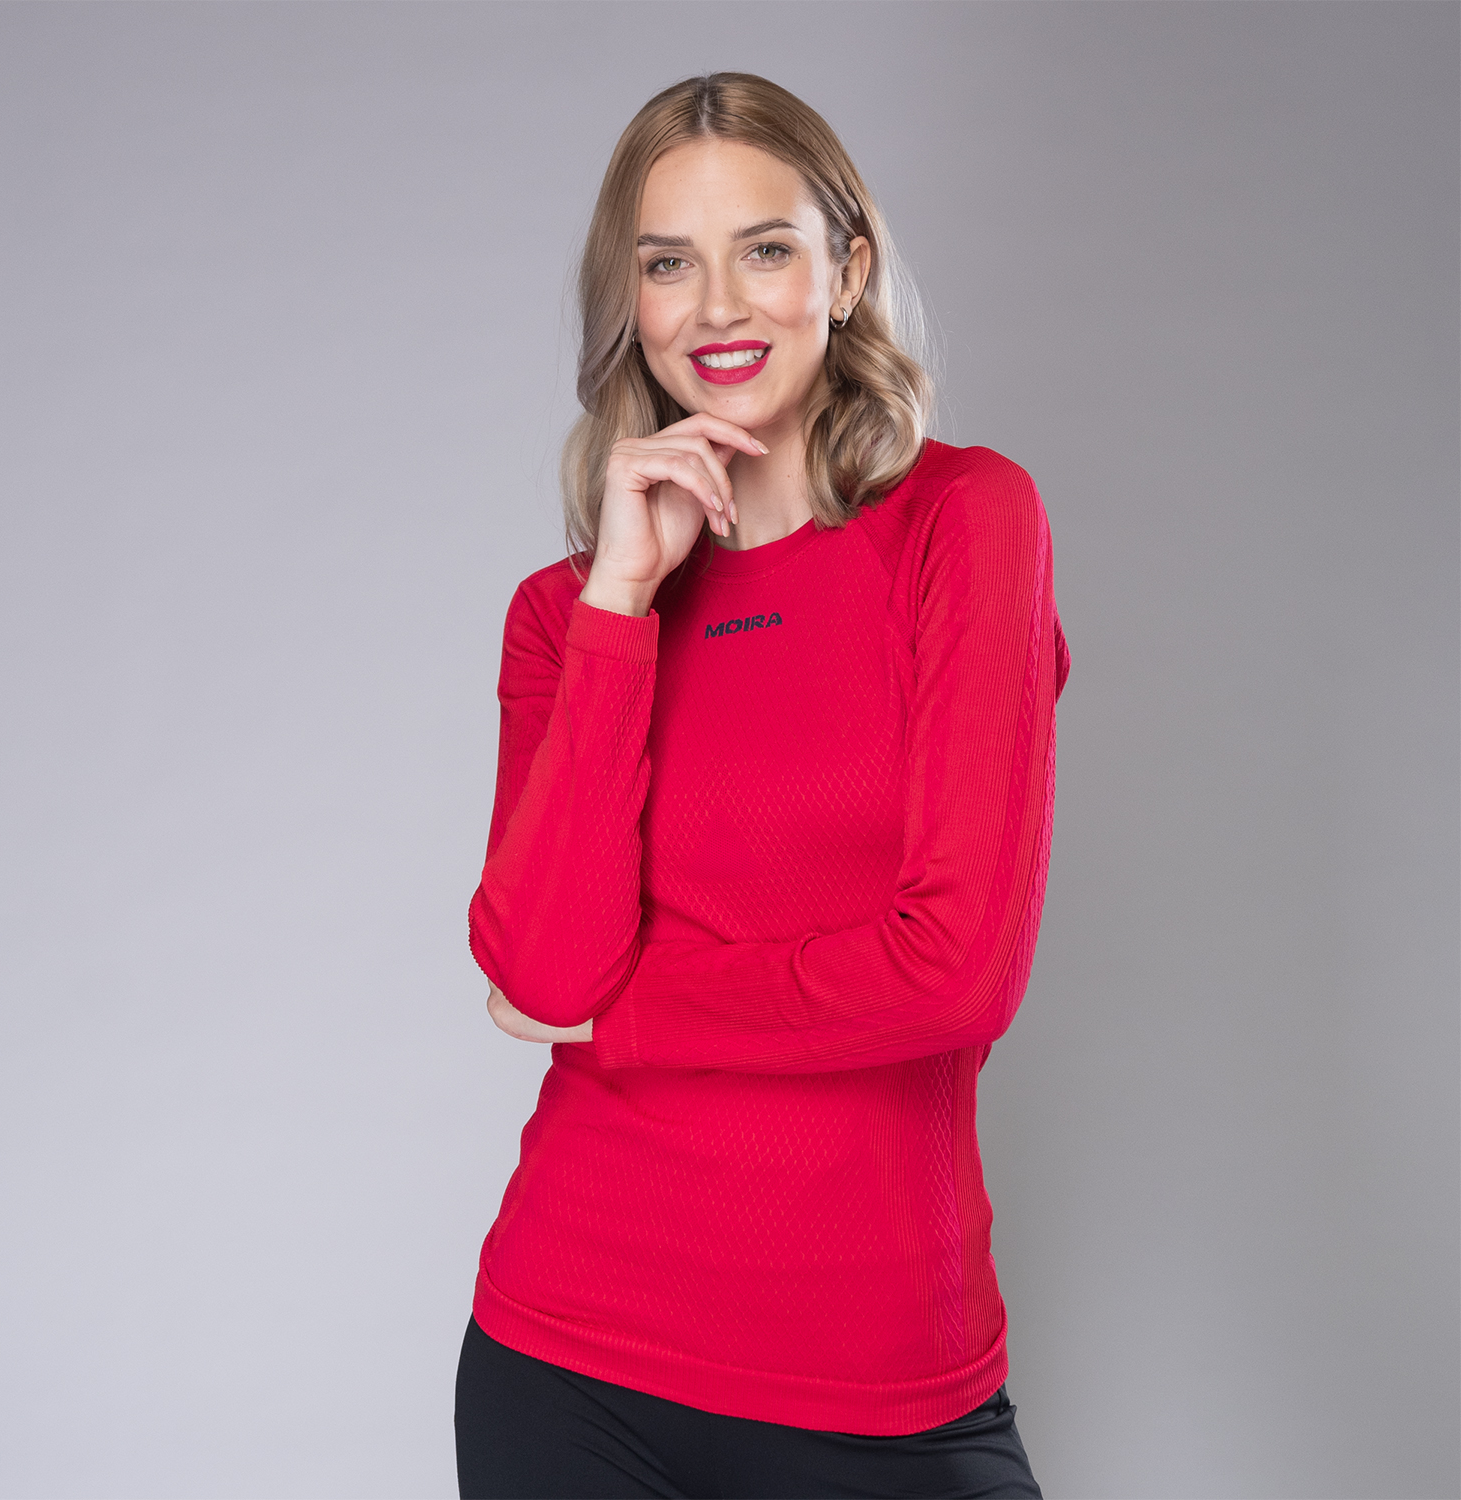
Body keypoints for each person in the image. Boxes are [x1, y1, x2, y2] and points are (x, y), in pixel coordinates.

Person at [455, 71, 1068, 1500]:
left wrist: (625, 1013)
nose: (718, 306)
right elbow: (541, 964)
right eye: (669, 263)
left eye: (767, 249)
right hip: (568, 1360)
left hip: (884, 1378)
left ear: (846, 274)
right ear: (631, 303)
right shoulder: (564, 617)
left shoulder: (966, 525)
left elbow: (955, 973)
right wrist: (622, 600)